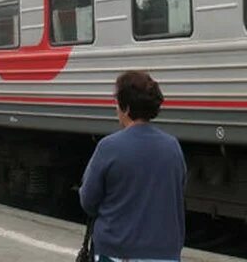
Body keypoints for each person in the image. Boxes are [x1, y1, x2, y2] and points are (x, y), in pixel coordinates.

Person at [79, 71, 187, 262]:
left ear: (126, 108)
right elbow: (178, 192)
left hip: (117, 253)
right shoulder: (173, 147)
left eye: (117, 103)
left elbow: (88, 201)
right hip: (165, 254)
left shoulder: (109, 147)